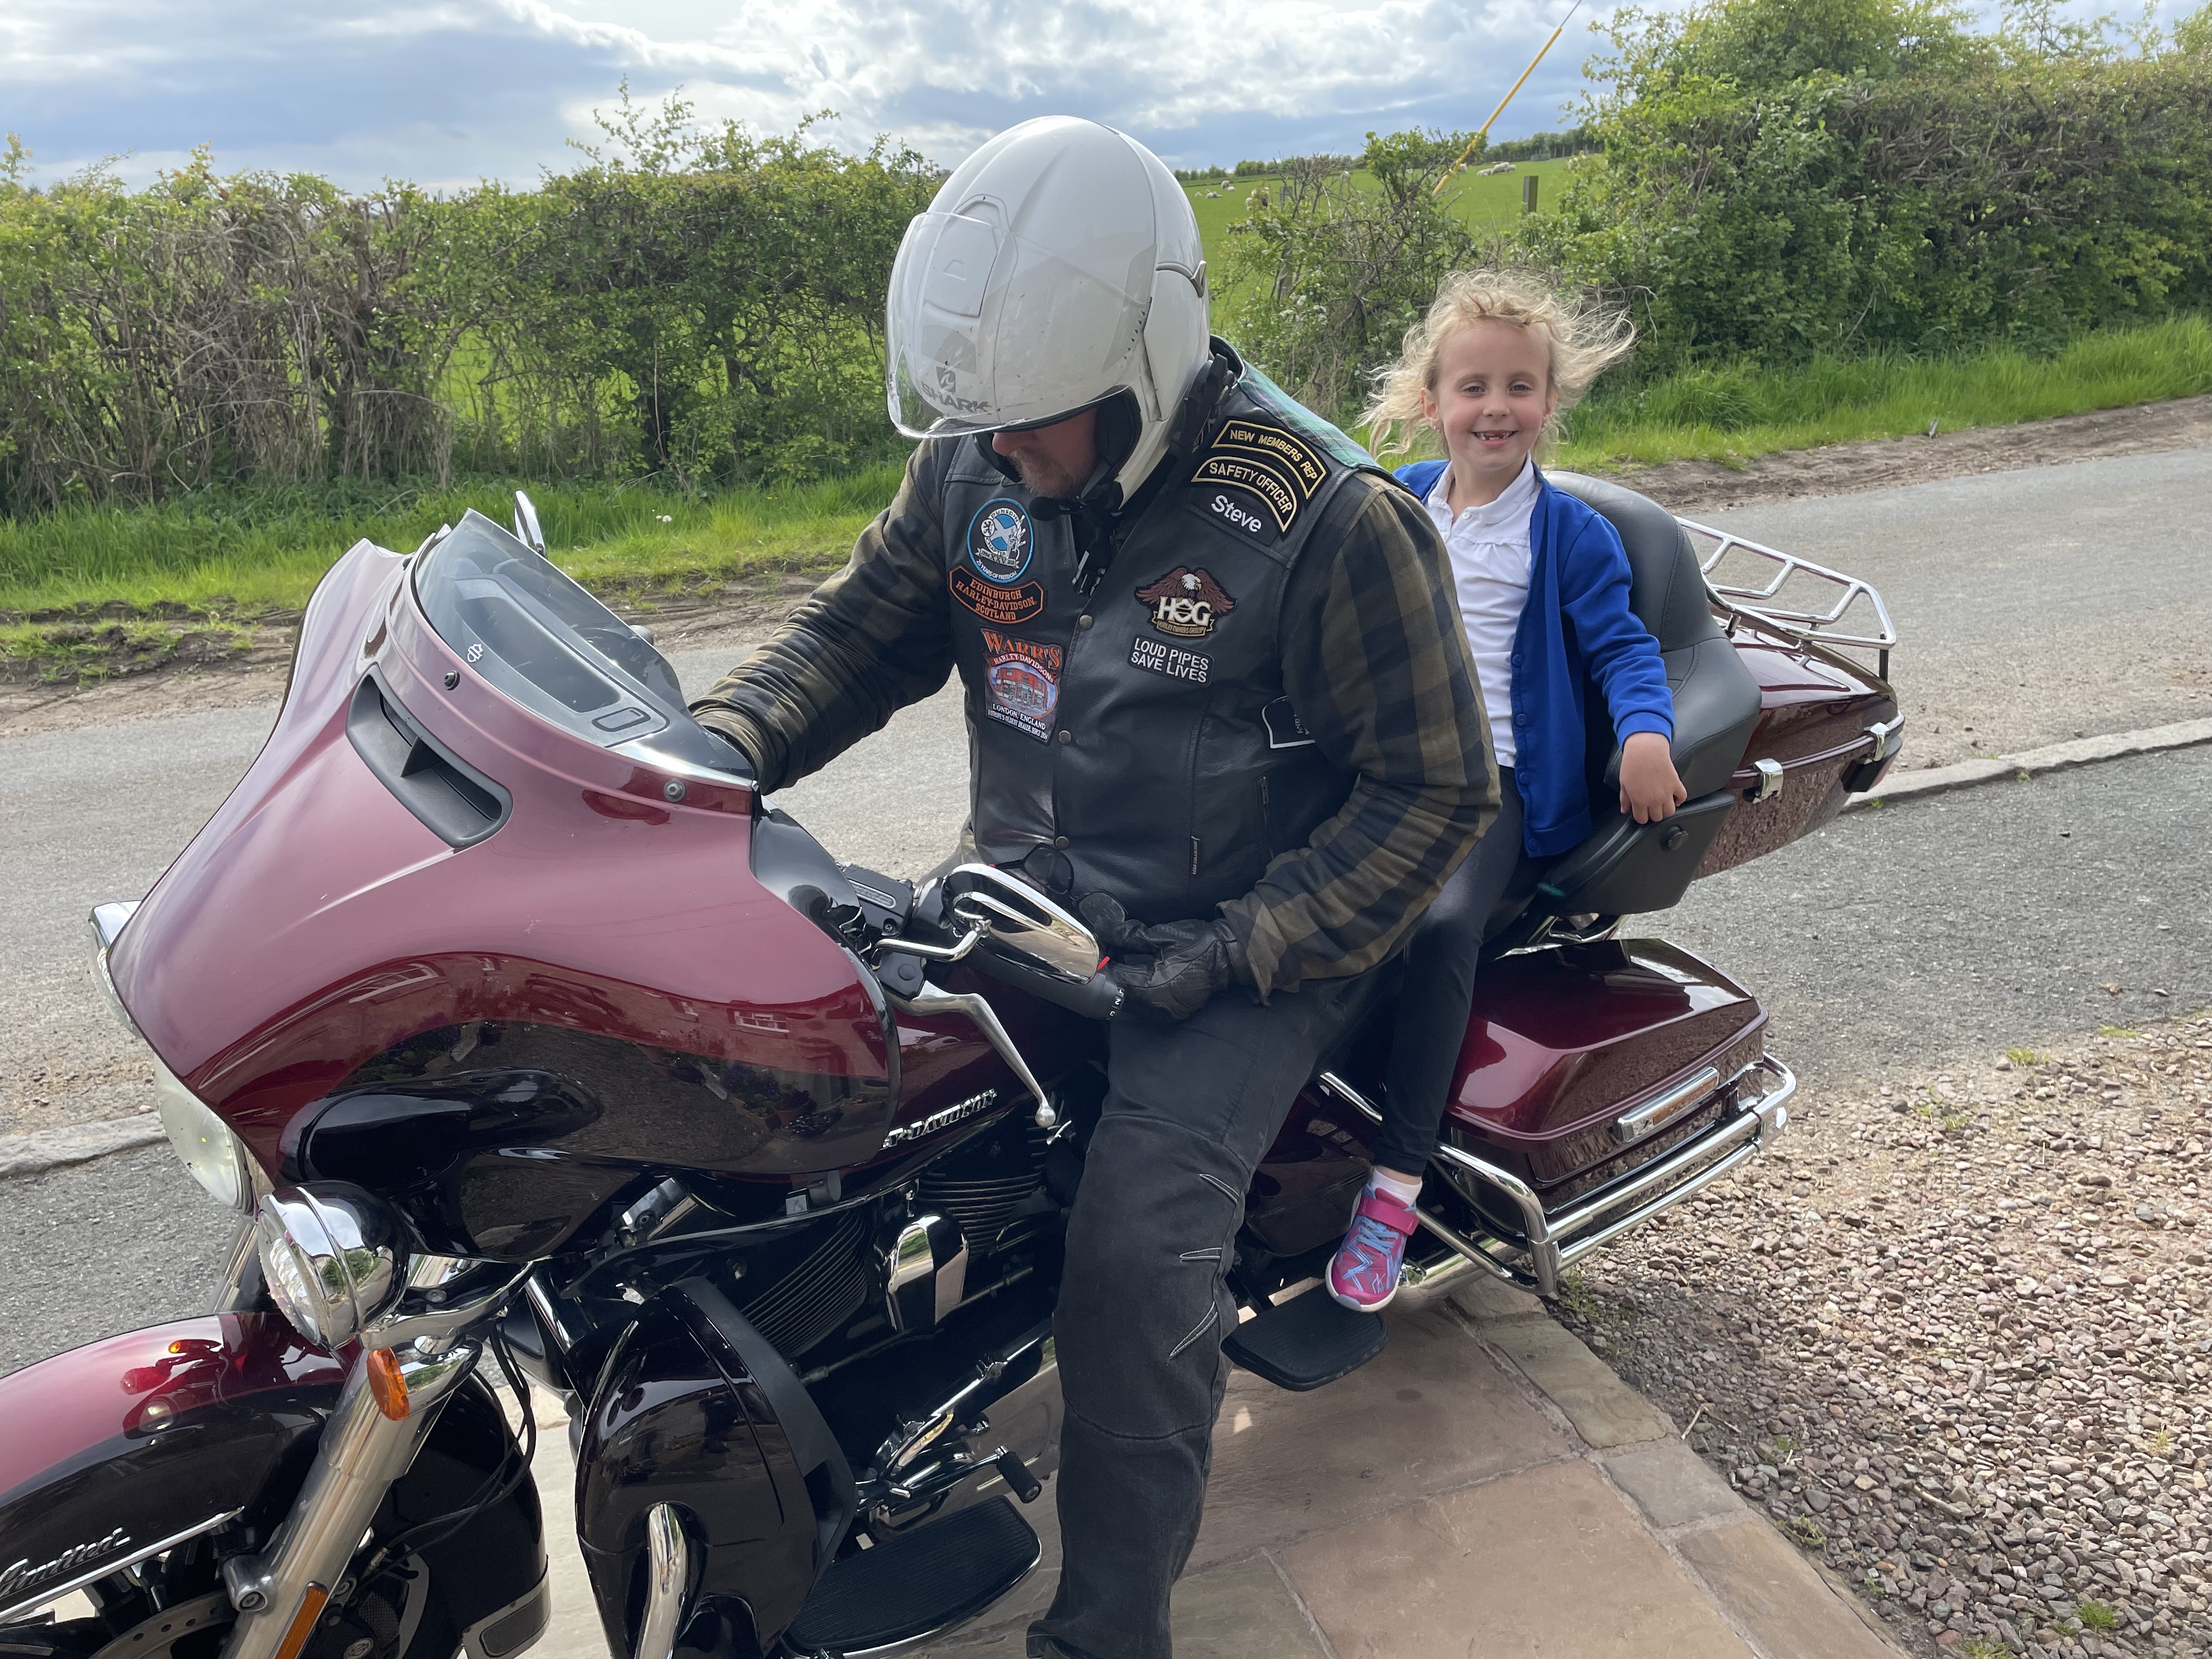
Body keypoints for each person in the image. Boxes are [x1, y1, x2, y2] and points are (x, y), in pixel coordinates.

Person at [689, 117, 1497, 1659]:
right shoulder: (977, 457)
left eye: (1029, 424)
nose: (998, 453)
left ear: (1147, 360)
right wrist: (700, 754)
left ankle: (1112, 1625)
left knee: (1135, 1254)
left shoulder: (1333, 522)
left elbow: (1438, 790)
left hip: (1244, 945)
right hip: (1025, 895)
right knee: (821, 1103)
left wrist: (1240, 950)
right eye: (975, 423)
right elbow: (853, 637)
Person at [1324, 270, 1687, 1313]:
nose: (1496, 408)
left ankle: (1395, 1187)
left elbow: (1623, 648)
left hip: (1496, 784)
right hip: (1387, 762)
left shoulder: (1569, 534)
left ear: (1550, 401)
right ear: (1432, 400)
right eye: (1473, 387)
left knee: (1440, 927)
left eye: (1519, 387)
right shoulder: (1396, 500)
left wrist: (1646, 734)